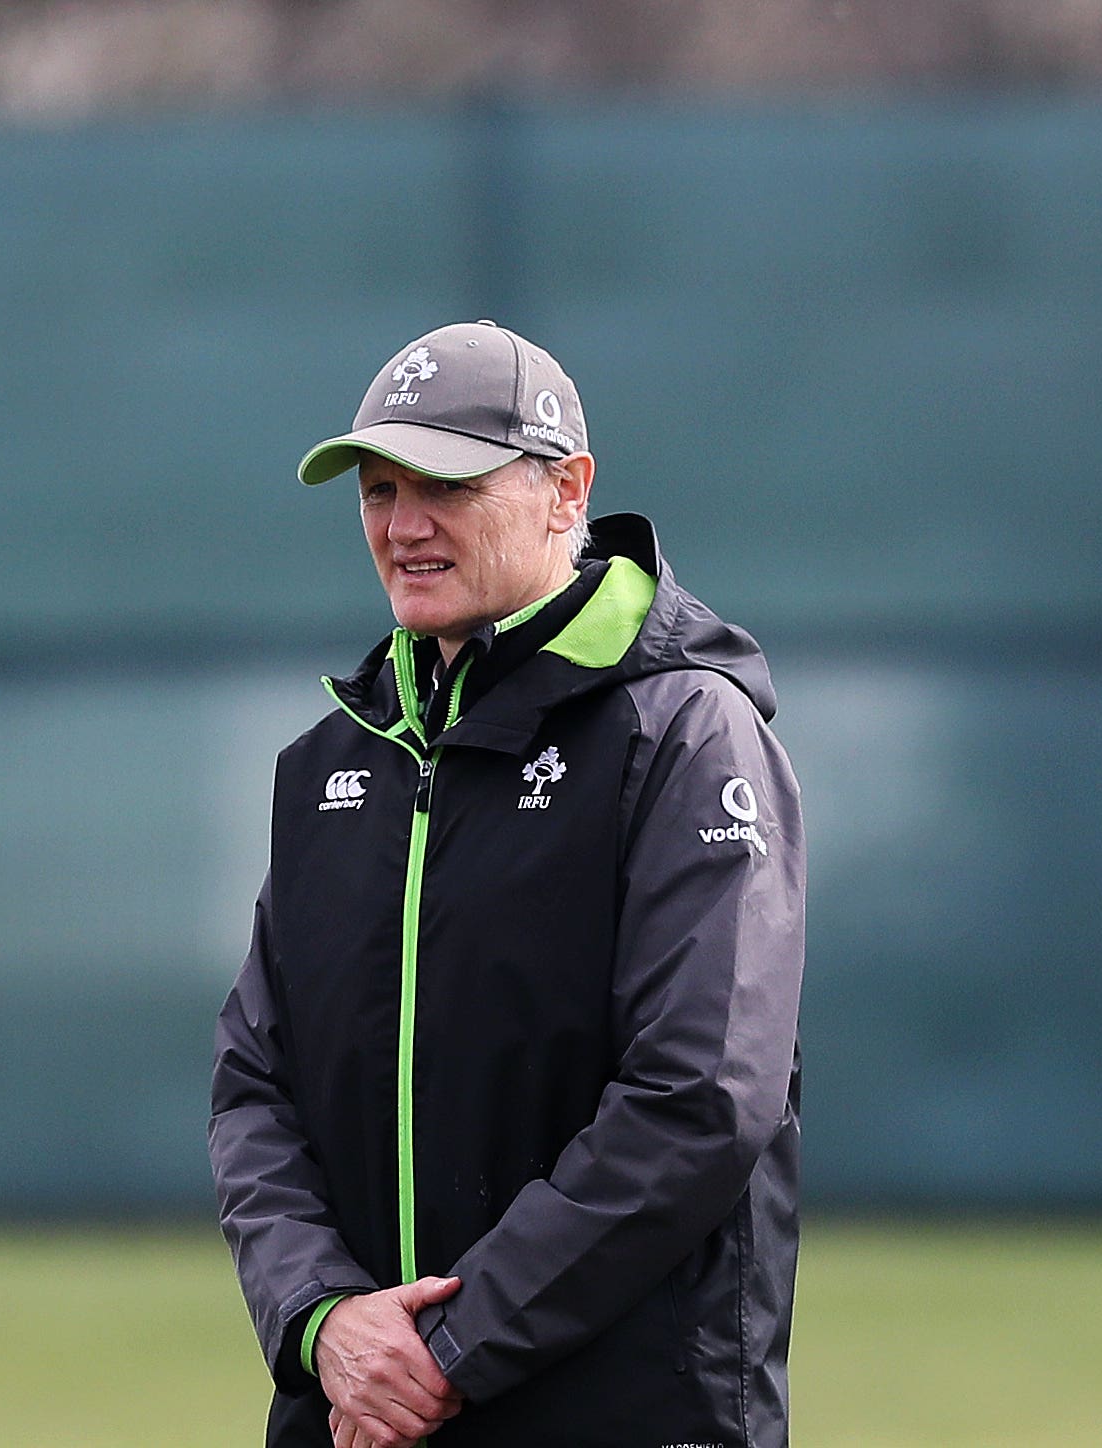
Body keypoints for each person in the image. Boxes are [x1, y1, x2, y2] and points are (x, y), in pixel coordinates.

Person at [210, 320, 805, 1448]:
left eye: (447, 482)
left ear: (565, 492)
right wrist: (325, 1318)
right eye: (379, 490)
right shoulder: (332, 762)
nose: (404, 525)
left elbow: (700, 1097)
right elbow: (253, 1085)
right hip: (355, 1408)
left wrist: (439, 1349)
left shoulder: (684, 734)